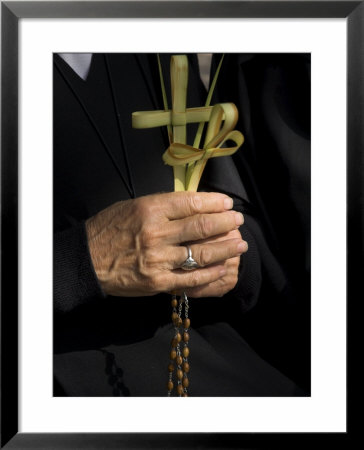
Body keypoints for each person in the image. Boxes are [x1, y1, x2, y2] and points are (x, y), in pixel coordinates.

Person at [53, 53, 304, 396]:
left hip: (225, 369)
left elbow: (254, 223)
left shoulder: (160, 48)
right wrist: (82, 262)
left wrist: (231, 254)